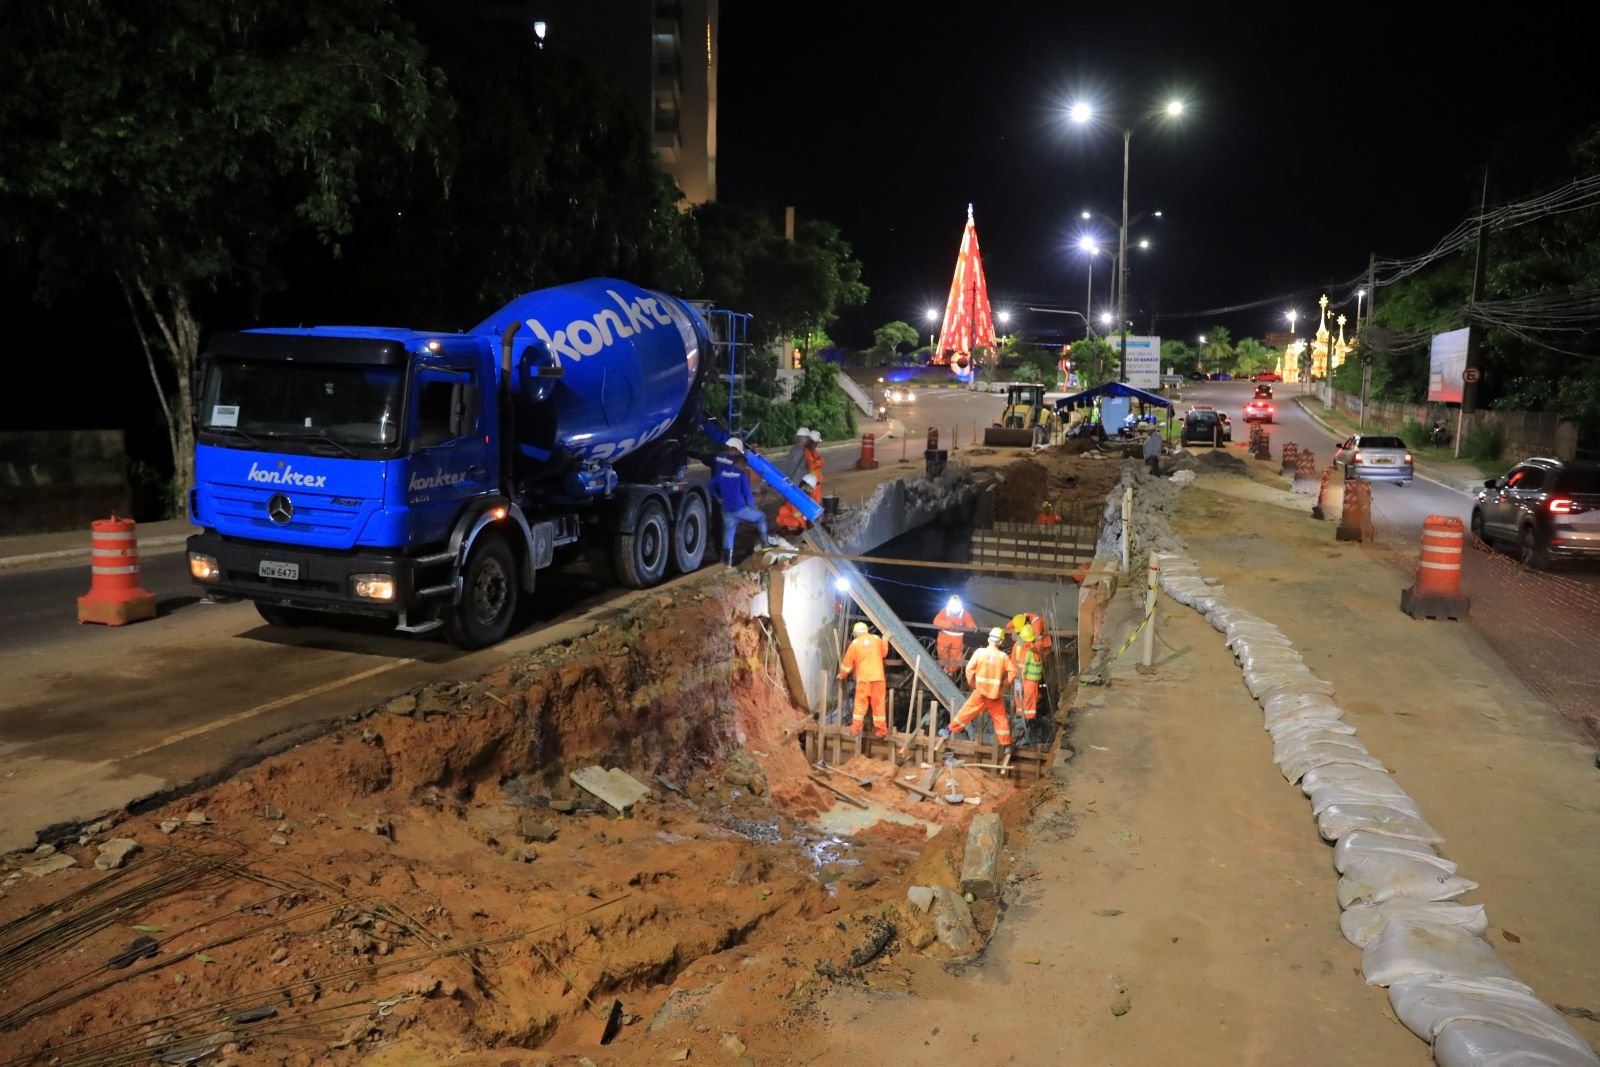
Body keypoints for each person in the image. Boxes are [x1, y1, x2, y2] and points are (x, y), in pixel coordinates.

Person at [940, 628, 1015, 753]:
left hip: (980, 692)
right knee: (1001, 719)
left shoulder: (980, 652)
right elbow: (1012, 672)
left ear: (988, 639)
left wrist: (972, 684)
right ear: (1001, 643)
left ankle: (948, 730)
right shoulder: (1003, 657)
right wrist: (1004, 684)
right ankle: (1007, 745)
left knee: (965, 712)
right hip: (995, 695)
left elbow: (969, 669)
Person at [713, 438, 776, 564]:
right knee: (761, 517)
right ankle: (765, 544)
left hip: (726, 507)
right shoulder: (741, 475)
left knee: (728, 533)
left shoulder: (721, 468)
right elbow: (747, 493)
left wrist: (717, 497)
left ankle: (727, 563)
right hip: (739, 508)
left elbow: (711, 485)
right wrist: (751, 508)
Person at [837, 621, 890, 738]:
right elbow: (884, 653)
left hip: (864, 679)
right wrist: (885, 640)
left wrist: (841, 675)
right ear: (867, 631)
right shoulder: (876, 639)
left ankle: (855, 729)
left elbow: (847, 665)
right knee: (879, 705)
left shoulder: (854, 644)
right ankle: (881, 731)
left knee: (860, 704)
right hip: (878, 678)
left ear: (855, 633)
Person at [931, 594, 976, 675]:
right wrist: (948, 625)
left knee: (956, 658)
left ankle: (951, 674)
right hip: (944, 638)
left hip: (957, 639)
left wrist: (973, 626)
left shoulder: (964, 613)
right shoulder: (945, 611)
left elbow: (970, 622)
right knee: (943, 656)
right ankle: (943, 672)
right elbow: (936, 621)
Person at [1011, 623, 1044, 725]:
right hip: (1020, 677)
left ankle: (1028, 722)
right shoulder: (1017, 646)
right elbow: (1013, 662)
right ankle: (1022, 720)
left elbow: (1038, 649)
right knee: (1020, 699)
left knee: (1028, 700)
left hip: (1030, 679)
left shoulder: (1035, 647)